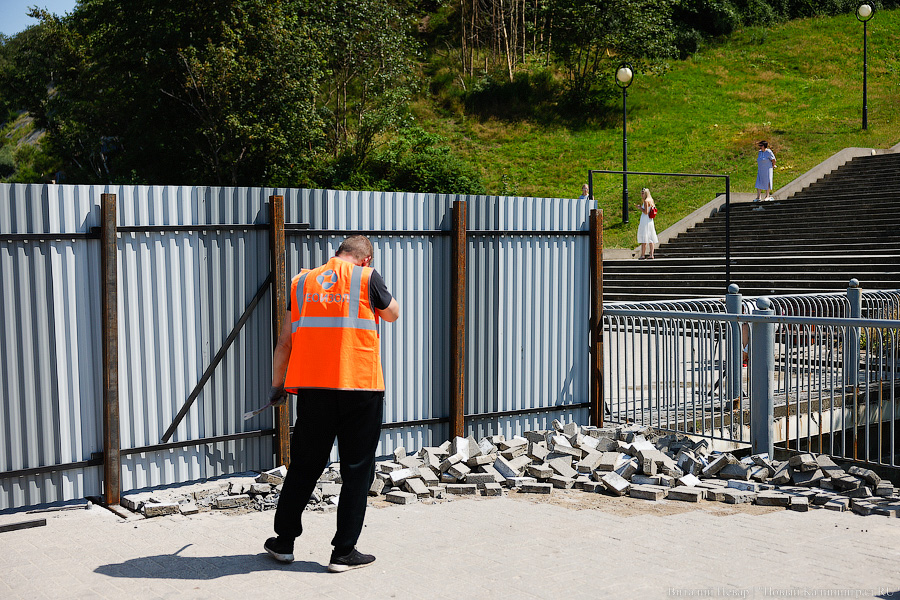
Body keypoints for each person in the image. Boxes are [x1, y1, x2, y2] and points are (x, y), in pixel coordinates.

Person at [264, 235, 400, 573]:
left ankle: (283, 542)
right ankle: (343, 552)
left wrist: (278, 385)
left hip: (314, 389)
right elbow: (393, 314)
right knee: (357, 469)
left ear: (337, 253)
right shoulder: (366, 277)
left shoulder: (302, 282)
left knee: (304, 465)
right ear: (366, 259)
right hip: (360, 386)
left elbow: (284, 341)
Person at [636, 187, 659, 260]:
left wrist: (640, 208)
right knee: (651, 237)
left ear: (646, 194)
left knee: (644, 237)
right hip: (650, 220)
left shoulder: (646, 201)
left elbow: (646, 212)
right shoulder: (651, 200)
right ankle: (651, 254)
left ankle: (643, 255)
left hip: (645, 220)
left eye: (643, 193)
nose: (641, 195)